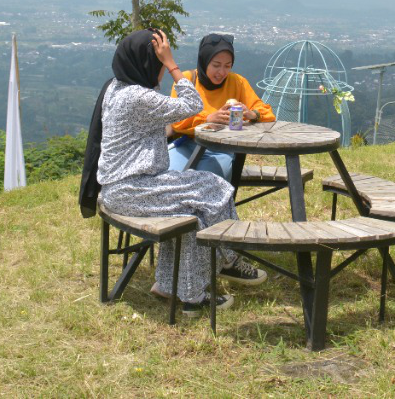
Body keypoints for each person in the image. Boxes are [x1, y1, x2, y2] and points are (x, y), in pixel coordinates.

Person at [77, 29, 266, 317]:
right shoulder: (137, 97)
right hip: (133, 190)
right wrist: (175, 65)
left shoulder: (114, 87)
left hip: (122, 188)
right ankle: (228, 260)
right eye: (158, 64)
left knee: (194, 210)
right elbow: (193, 106)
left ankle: (173, 287)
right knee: (213, 189)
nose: (163, 71)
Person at [167, 33, 275, 181]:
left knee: (209, 183)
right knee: (169, 179)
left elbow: (266, 112)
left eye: (227, 66)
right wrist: (208, 119)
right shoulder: (186, 80)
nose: (222, 72)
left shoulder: (237, 82)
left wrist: (252, 114)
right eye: (216, 65)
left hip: (221, 150)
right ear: (204, 61)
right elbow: (177, 120)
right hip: (186, 144)